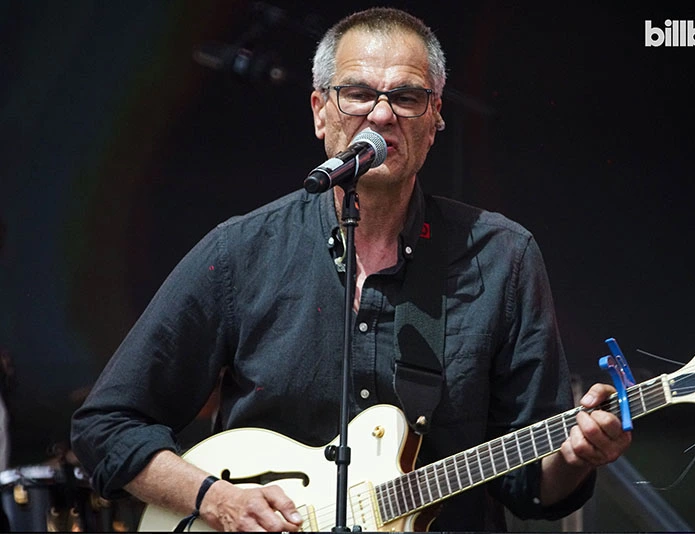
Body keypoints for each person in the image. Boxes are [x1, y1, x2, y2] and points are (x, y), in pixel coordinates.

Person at [71, 7, 632, 532]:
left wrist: (577, 457)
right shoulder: (241, 252)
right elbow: (106, 426)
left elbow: (531, 486)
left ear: (435, 117)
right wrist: (215, 498)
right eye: (359, 94)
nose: (382, 115)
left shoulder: (502, 257)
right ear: (320, 111)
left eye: (407, 97)